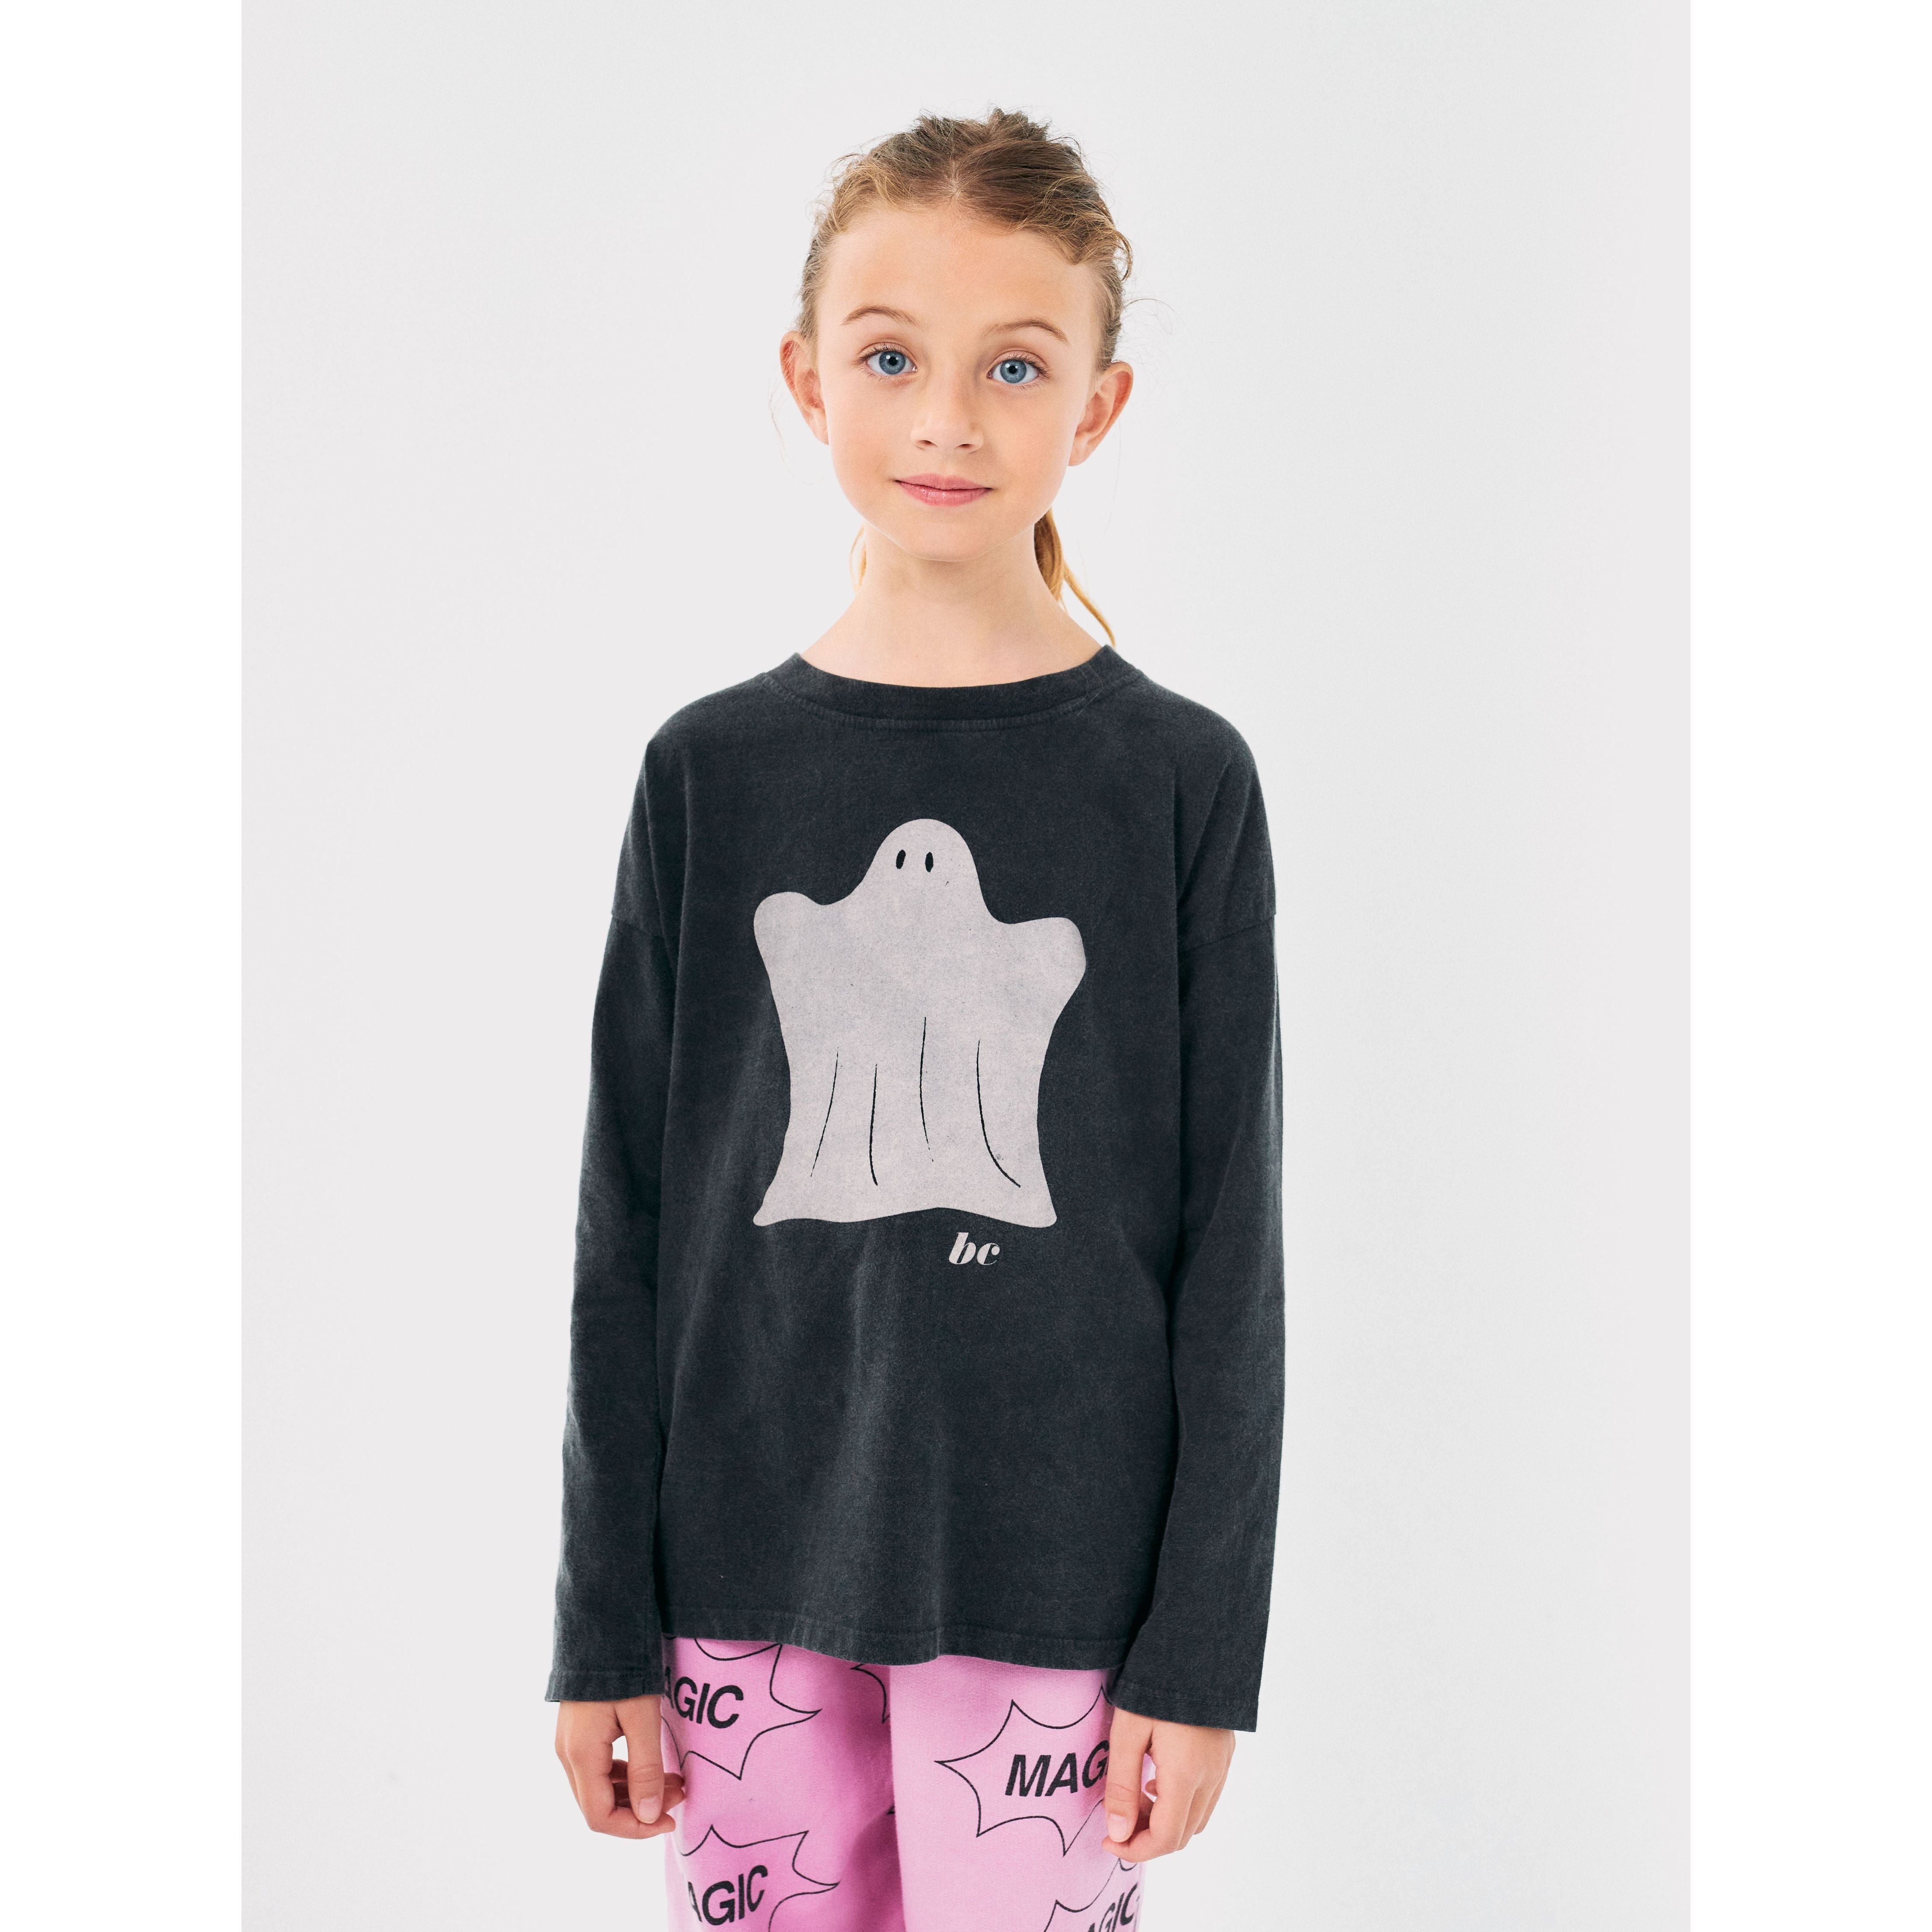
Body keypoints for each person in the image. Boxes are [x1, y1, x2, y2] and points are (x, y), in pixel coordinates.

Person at [547, 108, 1284, 1932]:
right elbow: (625, 1224)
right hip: (739, 1582)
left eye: (1012, 366)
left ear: (1097, 407)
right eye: (890, 358)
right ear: (808, 379)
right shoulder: (707, 772)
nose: (946, 418)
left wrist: (1202, 1651)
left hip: (1062, 1595)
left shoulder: (1178, 781)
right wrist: (599, 1625)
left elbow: (1232, 1253)